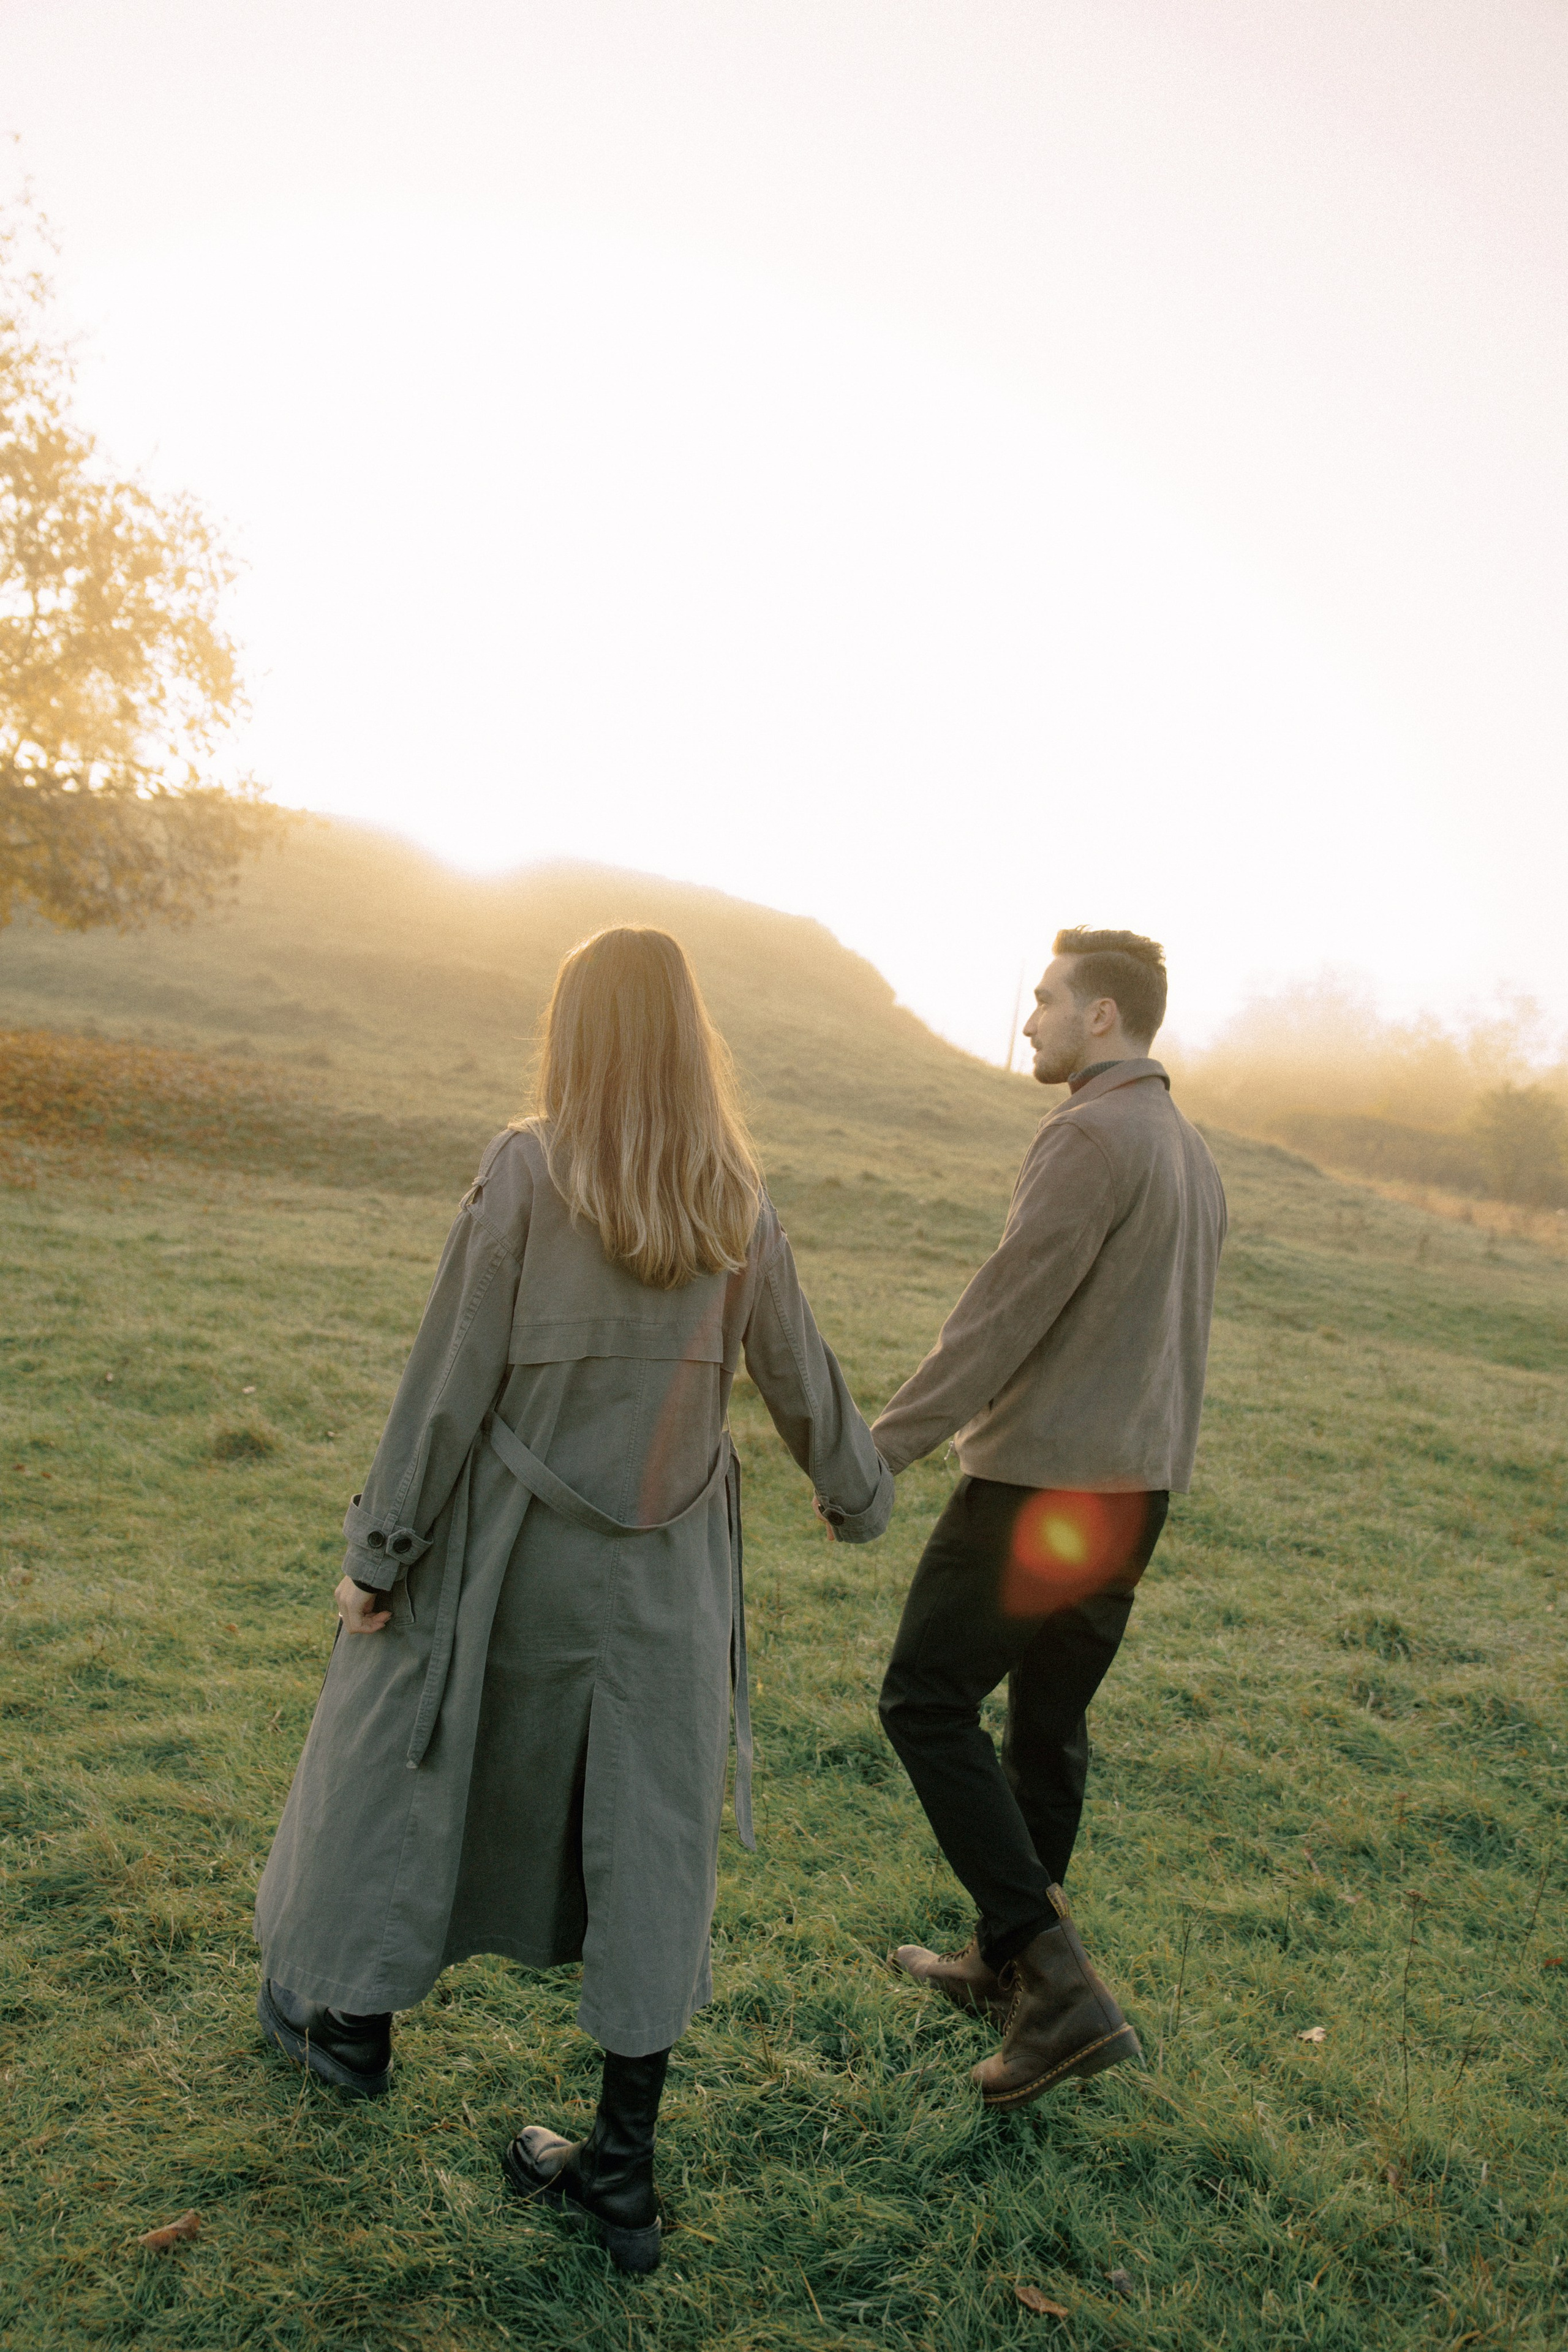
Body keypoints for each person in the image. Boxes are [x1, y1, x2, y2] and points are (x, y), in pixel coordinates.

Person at [254, 925, 892, 2274]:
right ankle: (620, 2171)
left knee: (414, 1751)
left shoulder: (529, 1168)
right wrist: (856, 1490)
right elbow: (801, 1373)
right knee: (648, 1839)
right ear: (687, 1038)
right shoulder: (736, 1197)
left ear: (574, 1034)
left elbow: (445, 1385)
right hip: (669, 1578)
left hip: (509, 1559)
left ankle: (351, 2026)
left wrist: (379, 1557)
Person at [872, 927, 1226, 2109]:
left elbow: (1000, 1315)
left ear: (1103, 1019)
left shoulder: (1087, 1137)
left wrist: (880, 1452)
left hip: (1042, 1495)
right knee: (1048, 1727)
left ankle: (1055, 1980)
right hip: (1136, 1495)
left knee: (924, 1699)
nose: (1029, 1020)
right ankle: (1007, 1966)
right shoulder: (1189, 1150)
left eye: (1045, 1000)